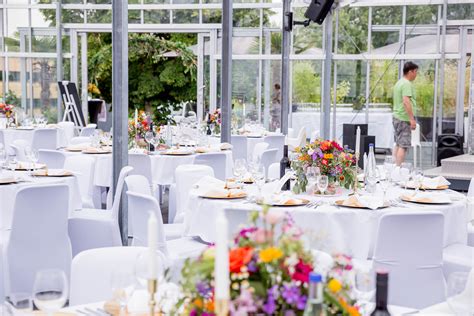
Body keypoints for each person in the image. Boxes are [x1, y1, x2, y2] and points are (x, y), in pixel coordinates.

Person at [392, 61, 418, 165]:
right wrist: (412, 119)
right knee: (403, 146)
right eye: (415, 72)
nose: (416, 74)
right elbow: (406, 101)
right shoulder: (407, 84)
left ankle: (394, 168)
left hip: (397, 117)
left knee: (398, 144)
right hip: (403, 119)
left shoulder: (399, 82)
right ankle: (398, 170)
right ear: (410, 71)